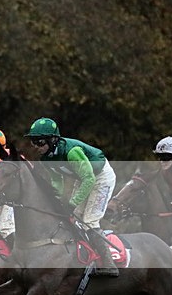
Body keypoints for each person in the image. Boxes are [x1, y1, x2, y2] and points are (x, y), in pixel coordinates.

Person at [24, 117, 118, 276]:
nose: (36, 147)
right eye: (33, 142)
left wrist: (72, 202)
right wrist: (58, 201)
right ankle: (86, 257)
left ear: (53, 139)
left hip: (101, 177)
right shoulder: (46, 158)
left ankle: (109, 264)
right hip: (82, 178)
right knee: (75, 218)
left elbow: (90, 179)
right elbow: (56, 180)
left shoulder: (72, 152)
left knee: (89, 220)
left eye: (39, 142)